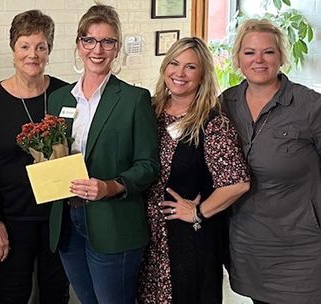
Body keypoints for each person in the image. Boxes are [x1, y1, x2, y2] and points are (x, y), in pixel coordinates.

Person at [46, 4, 159, 303]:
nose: (98, 49)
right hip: (68, 223)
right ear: (79, 44)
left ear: (117, 47)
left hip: (114, 224)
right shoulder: (58, 99)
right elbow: (50, 157)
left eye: (107, 41)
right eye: (90, 40)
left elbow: (148, 165)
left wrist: (110, 186)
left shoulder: (134, 99)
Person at [0, 10, 69, 304]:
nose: (32, 54)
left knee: (57, 292)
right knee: (12, 294)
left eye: (41, 46)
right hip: (12, 219)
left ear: (49, 51)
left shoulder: (65, 95)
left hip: (58, 218)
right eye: (25, 45)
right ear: (13, 50)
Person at [137, 37, 250, 304]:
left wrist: (198, 212)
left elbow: (237, 183)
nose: (179, 73)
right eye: (174, 63)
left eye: (190, 67)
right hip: (146, 239)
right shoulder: (148, 112)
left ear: (202, 76)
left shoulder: (212, 123)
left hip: (189, 241)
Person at [222, 18, 321, 304]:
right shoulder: (226, 103)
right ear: (238, 59)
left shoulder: (309, 106)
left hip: (302, 246)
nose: (259, 60)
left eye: (268, 52)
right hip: (248, 245)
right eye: (250, 52)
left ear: (280, 57)